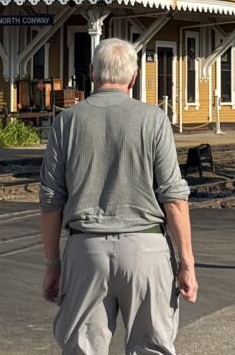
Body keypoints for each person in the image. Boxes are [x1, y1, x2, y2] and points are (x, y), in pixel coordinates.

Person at [39, 38, 197, 354]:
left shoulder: (67, 121)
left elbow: (51, 199)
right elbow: (174, 198)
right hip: (146, 250)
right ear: (134, 77)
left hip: (86, 249)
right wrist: (187, 262)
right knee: (152, 346)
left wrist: (53, 262)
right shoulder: (153, 119)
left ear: (92, 73)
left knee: (82, 348)